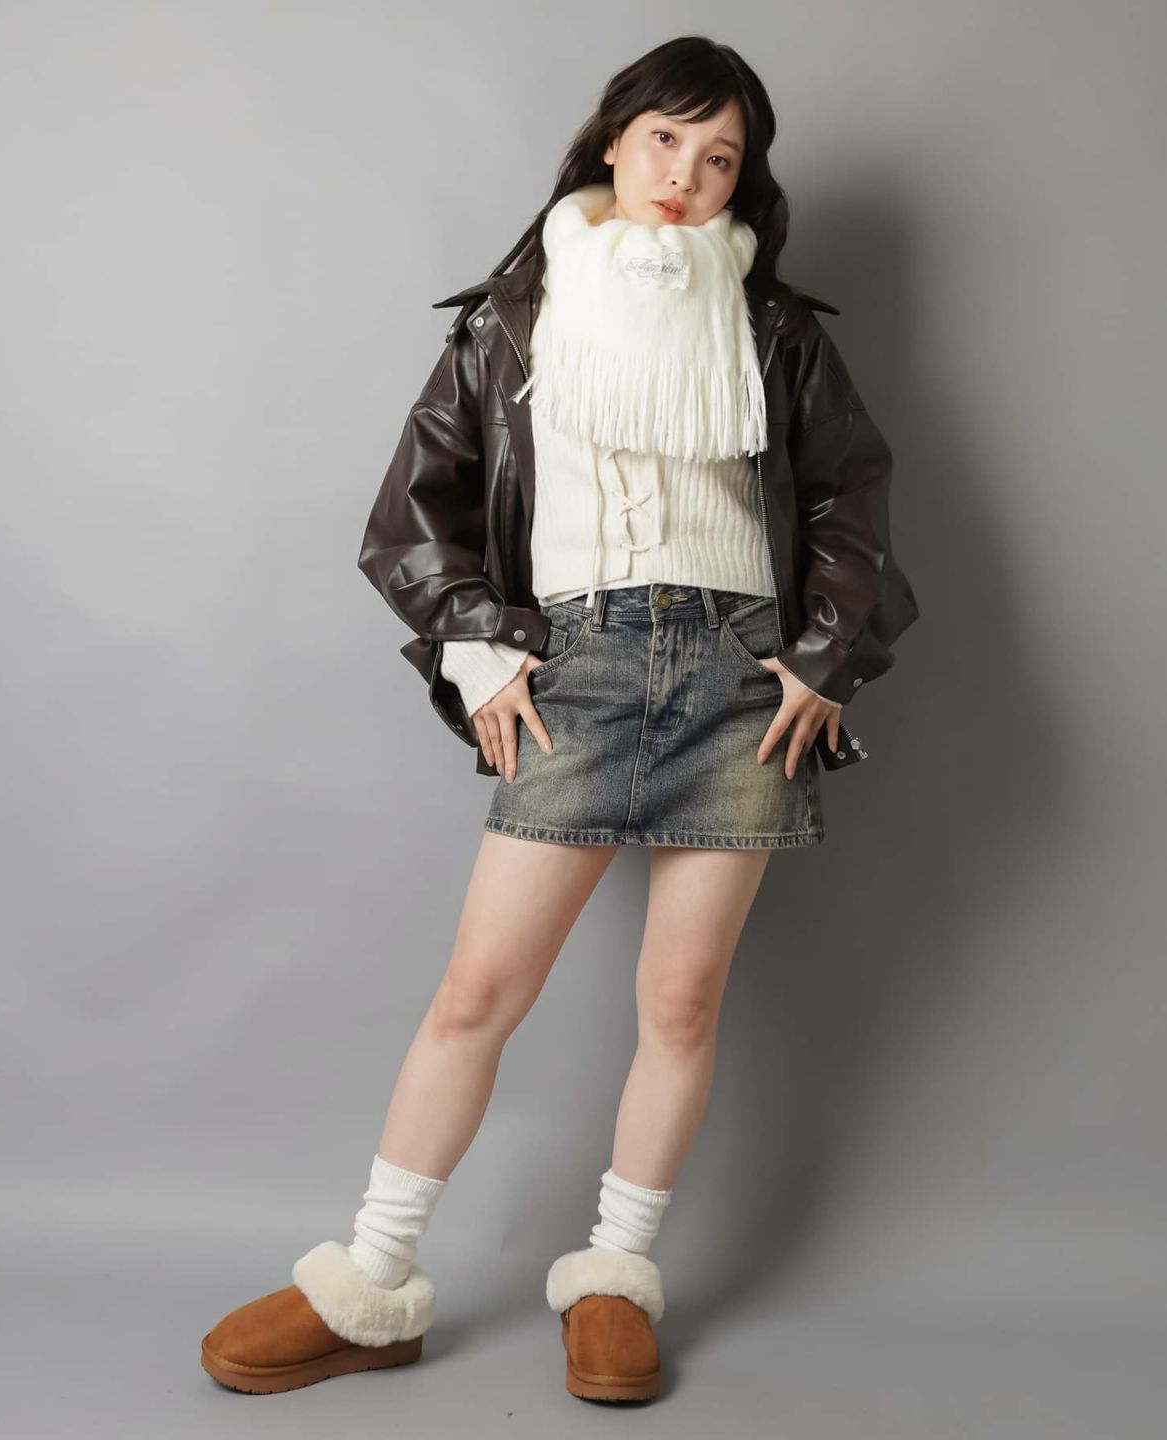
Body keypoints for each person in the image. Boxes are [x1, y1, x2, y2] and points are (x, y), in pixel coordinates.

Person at [200, 34, 918, 1404]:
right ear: (612, 141)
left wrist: (822, 659)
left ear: (743, 182)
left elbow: (851, 499)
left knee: (681, 1003)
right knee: (477, 995)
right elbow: (413, 516)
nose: (686, 175)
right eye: (666, 140)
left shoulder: (775, 329)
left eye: (721, 159)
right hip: (574, 668)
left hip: (739, 681)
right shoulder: (511, 322)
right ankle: (373, 1282)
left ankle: (614, 1279)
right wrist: (479, 653)